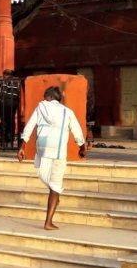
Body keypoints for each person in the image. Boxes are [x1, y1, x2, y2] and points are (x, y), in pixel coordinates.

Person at [18, 86, 87, 230]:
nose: (43, 99)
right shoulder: (67, 112)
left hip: (42, 149)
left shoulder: (40, 108)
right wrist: (82, 147)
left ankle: (55, 196)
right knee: (55, 186)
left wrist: (22, 147)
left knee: (48, 181)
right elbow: (77, 130)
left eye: (45, 97)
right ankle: (48, 221)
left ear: (49, 97)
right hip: (58, 151)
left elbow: (29, 126)